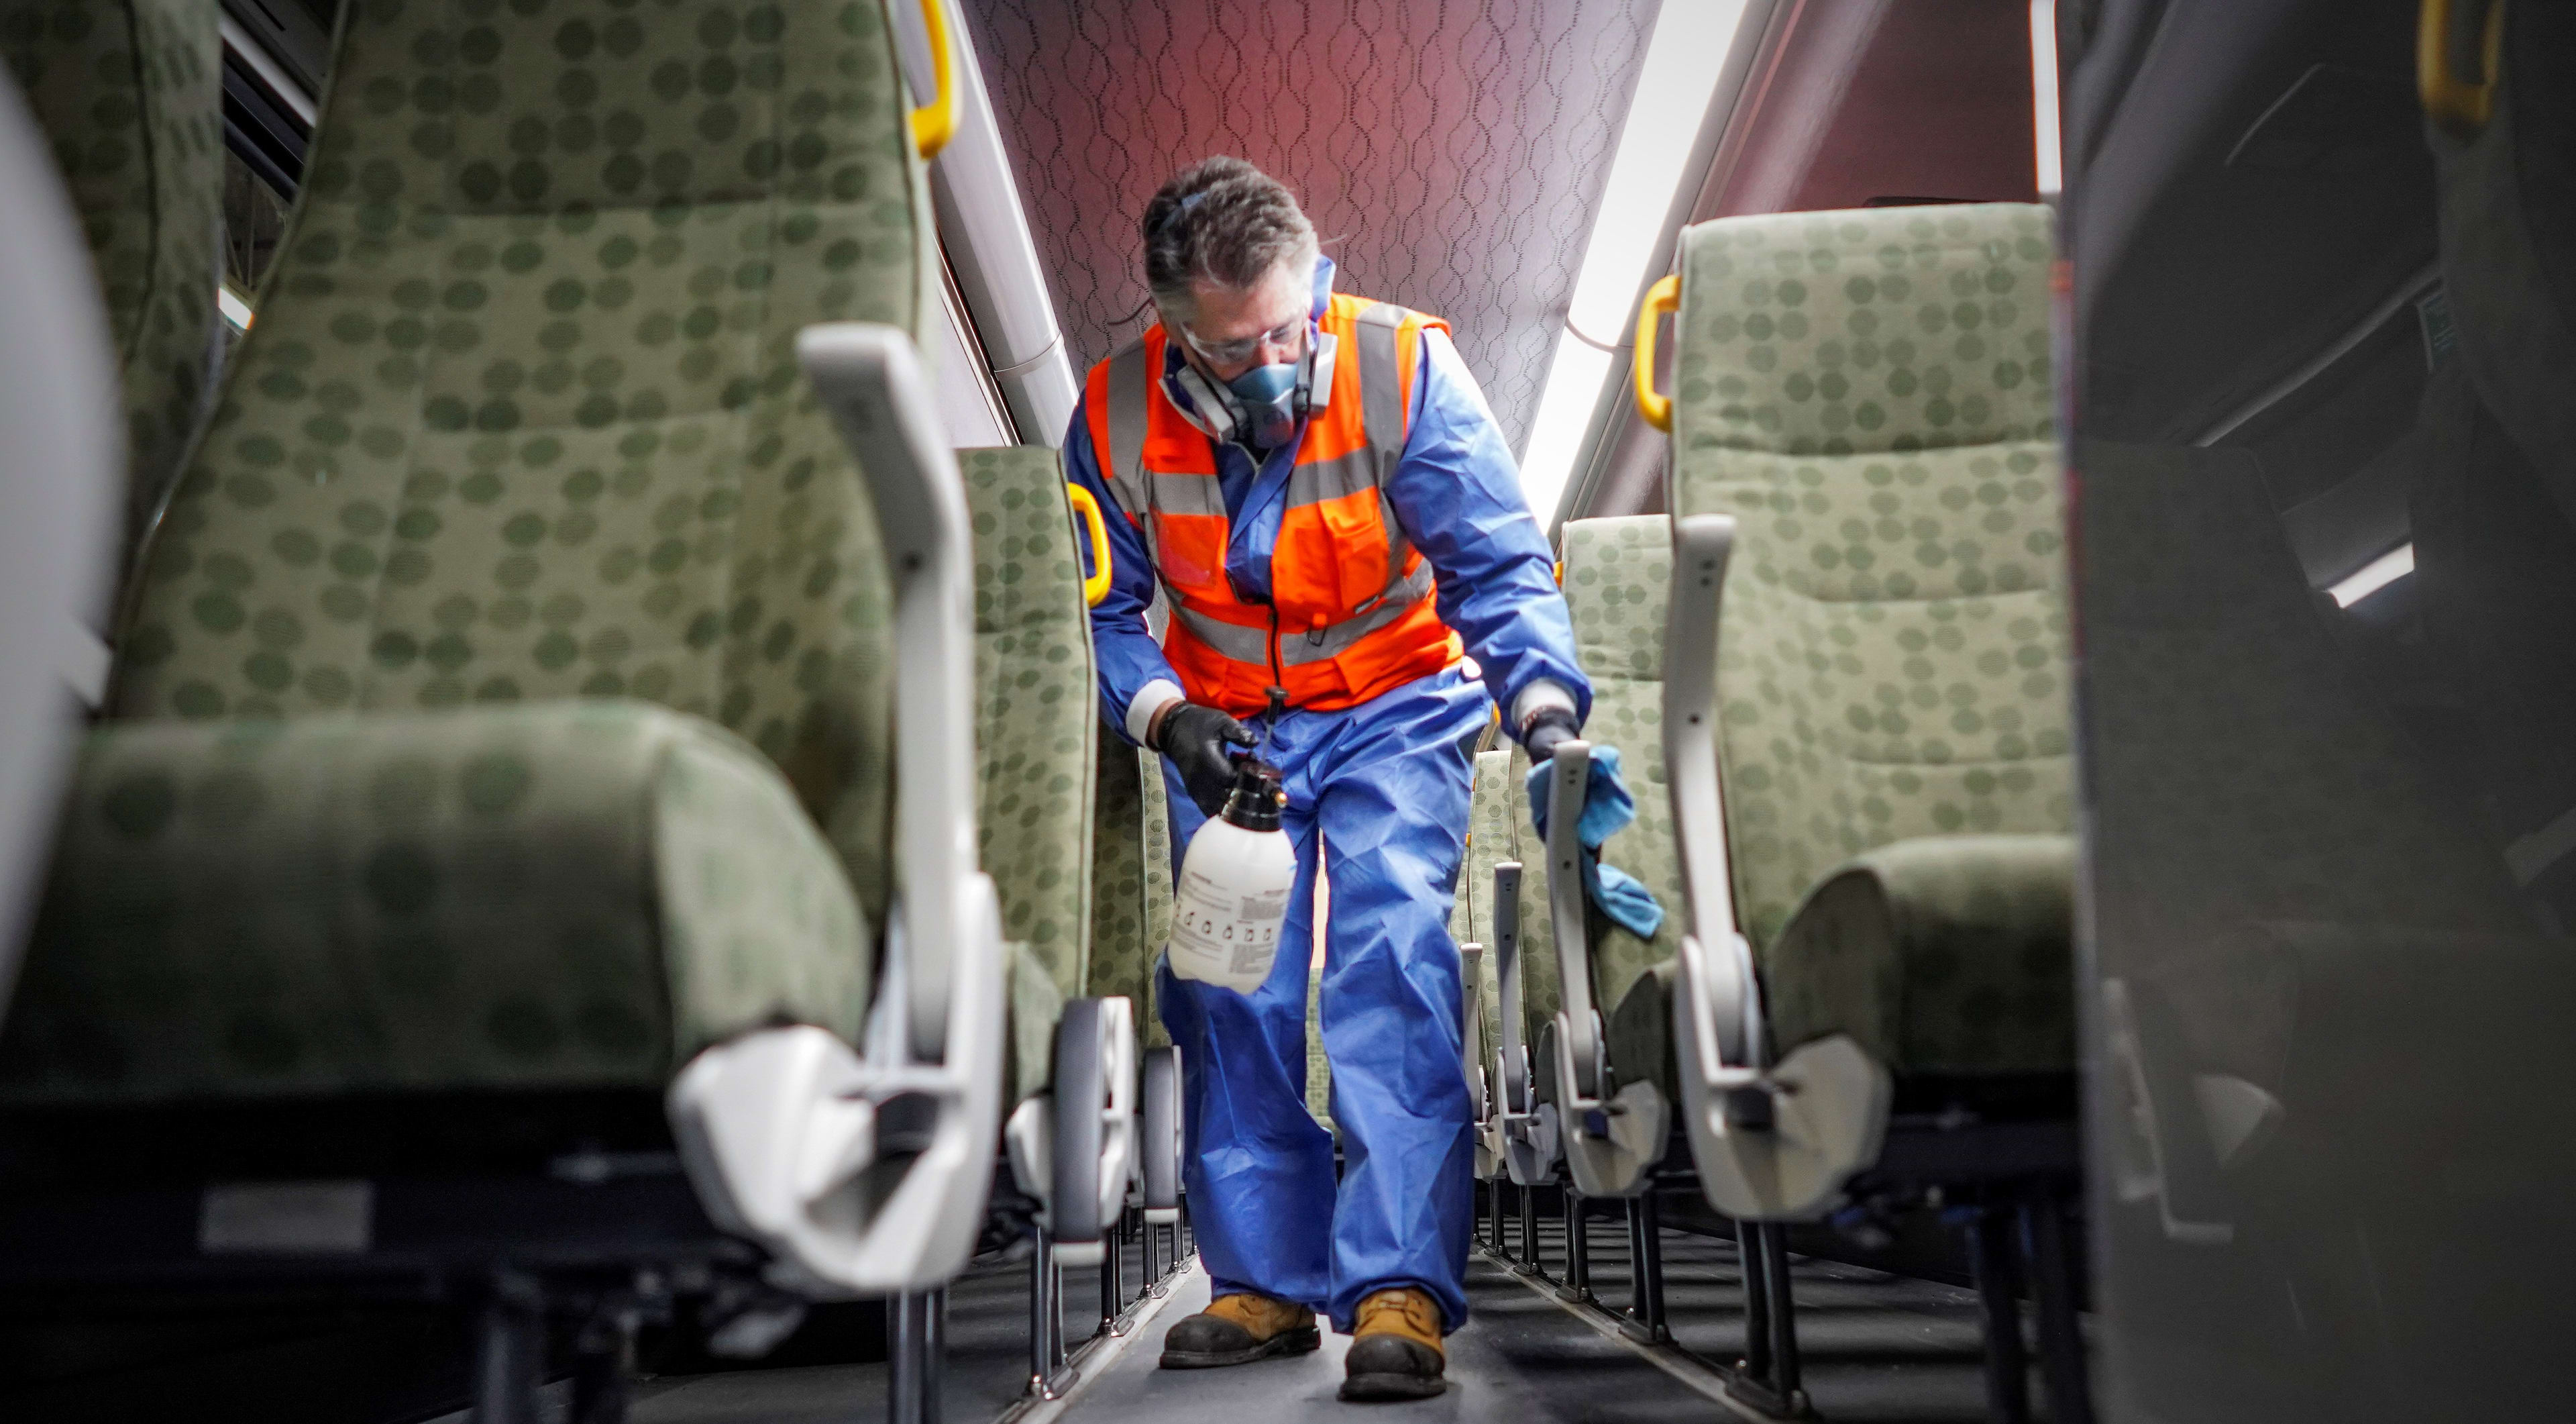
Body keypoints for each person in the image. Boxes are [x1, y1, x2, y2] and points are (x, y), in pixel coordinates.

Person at [1065, 156, 1601, 1403]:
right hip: (1231, 728)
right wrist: (1164, 714)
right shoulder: (1115, 416)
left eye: (1285, 327)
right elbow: (1096, 609)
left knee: (1391, 956)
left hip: (1397, 708)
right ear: (1172, 330)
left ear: (1314, 285)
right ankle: (1260, 1282)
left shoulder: (1400, 370)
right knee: (1228, 979)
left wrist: (1543, 705)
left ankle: (1398, 1286)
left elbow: (1499, 563)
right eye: (1232, 345)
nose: (1271, 360)